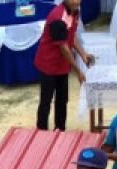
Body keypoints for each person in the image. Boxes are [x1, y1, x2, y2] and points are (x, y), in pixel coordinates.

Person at [33, 0, 94, 132]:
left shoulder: (75, 11)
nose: (77, 1)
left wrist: (83, 54)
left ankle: (60, 129)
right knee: (46, 100)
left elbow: (71, 37)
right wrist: (78, 71)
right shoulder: (57, 18)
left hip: (62, 65)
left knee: (62, 99)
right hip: (48, 63)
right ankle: (41, 131)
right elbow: (64, 48)